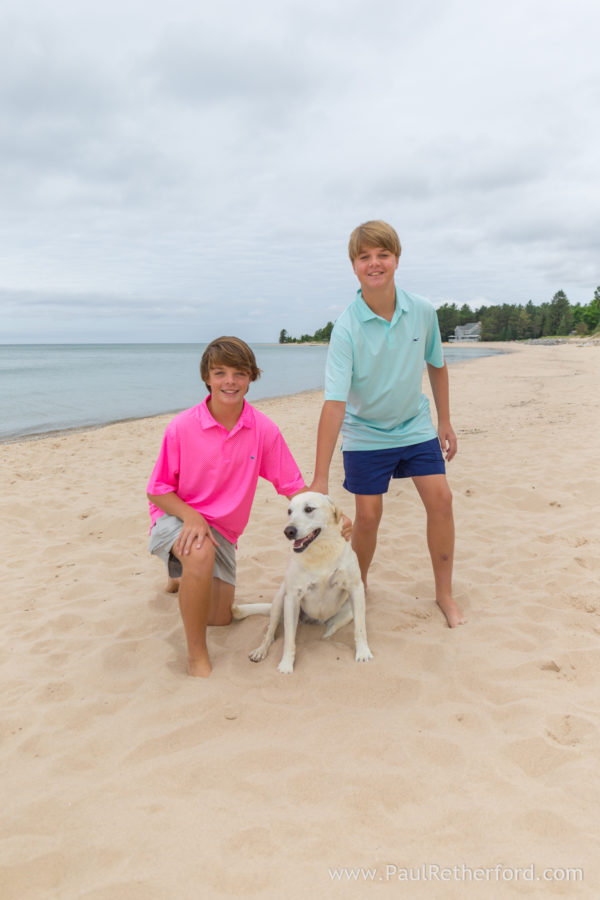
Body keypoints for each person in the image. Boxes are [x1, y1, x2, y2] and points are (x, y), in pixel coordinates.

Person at [309, 220, 466, 628]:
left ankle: (444, 594)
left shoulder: (423, 311)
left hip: (414, 425)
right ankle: (356, 588)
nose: (374, 264)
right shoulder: (346, 327)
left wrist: (444, 420)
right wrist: (320, 477)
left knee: (442, 499)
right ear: (354, 266)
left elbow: (438, 366)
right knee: (369, 515)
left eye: (383, 255)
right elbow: (334, 404)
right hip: (365, 433)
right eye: (365, 257)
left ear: (396, 259)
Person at [146, 336, 307, 677]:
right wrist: (190, 516)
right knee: (199, 551)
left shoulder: (263, 429)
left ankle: (179, 575)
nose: (229, 382)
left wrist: (330, 514)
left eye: (239, 373)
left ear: (251, 377)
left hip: (224, 532)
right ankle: (196, 656)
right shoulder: (182, 427)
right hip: (177, 515)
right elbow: (157, 491)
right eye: (220, 373)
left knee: (219, 618)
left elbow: (292, 486)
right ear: (207, 377)